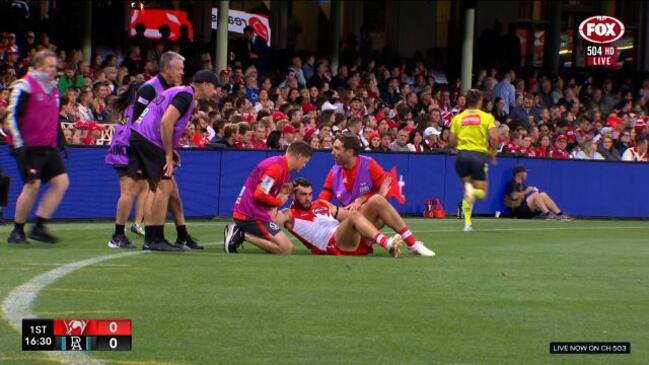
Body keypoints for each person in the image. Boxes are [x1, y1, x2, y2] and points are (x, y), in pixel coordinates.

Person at [129, 70, 219, 251]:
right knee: (164, 187)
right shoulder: (186, 95)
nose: (215, 92)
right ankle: (154, 239)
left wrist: (170, 149)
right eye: (215, 87)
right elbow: (165, 122)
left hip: (144, 138)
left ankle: (182, 236)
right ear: (206, 84)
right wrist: (168, 154)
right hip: (148, 139)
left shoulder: (184, 93)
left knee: (173, 191)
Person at [319, 133, 434, 256]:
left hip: (365, 217)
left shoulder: (368, 164)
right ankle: (397, 244)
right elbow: (322, 202)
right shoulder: (334, 172)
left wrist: (362, 199)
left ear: (350, 152)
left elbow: (387, 191)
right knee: (377, 199)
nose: (332, 152)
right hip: (346, 225)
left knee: (378, 200)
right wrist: (339, 211)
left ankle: (412, 244)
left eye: (337, 149)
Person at [5, 50, 69, 244]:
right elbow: (11, 117)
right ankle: (17, 230)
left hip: (48, 146)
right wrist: (19, 146)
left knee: (61, 182)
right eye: (50, 66)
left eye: (55, 66)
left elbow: (52, 117)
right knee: (32, 185)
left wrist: (60, 138)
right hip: (29, 147)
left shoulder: (54, 88)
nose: (54, 70)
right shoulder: (24, 85)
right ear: (38, 66)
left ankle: (39, 226)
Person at [223, 141, 313, 254]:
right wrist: (278, 201)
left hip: (250, 212)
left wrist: (281, 192)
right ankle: (240, 234)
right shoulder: (277, 168)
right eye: (305, 162)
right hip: (250, 215)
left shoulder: (279, 165)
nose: (304, 165)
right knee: (286, 249)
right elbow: (259, 194)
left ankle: (239, 233)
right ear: (299, 156)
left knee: (284, 246)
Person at [274, 178, 402, 257]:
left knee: (377, 201)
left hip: (348, 237)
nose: (308, 198)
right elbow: (272, 219)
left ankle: (413, 243)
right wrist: (279, 197)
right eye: (303, 194)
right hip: (332, 244)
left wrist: (375, 200)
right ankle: (387, 243)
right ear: (293, 196)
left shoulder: (321, 203)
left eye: (310, 194)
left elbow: (347, 214)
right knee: (353, 217)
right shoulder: (289, 214)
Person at [104, 82, 147, 249]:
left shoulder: (128, 106)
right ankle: (118, 235)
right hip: (128, 150)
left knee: (142, 188)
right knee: (128, 192)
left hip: (122, 149)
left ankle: (137, 225)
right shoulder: (137, 108)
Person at [449, 89, 498, 232]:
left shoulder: (458, 118)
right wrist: (492, 152)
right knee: (481, 194)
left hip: (461, 156)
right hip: (478, 156)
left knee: (467, 189)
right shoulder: (486, 117)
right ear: (479, 102)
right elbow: (494, 138)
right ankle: (472, 197)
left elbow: (451, 140)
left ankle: (467, 224)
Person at [504, 165, 572, 220]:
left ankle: (559, 214)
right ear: (519, 173)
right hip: (516, 213)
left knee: (543, 194)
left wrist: (530, 191)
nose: (526, 174)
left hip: (525, 212)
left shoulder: (522, 185)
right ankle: (548, 214)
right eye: (525, 172)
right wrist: (528, 190)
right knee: (536, 195)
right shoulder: (511, 183)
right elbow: (514, 196)